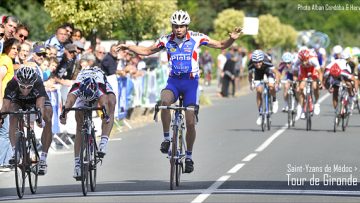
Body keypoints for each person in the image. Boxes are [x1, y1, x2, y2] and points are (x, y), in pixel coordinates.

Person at [116, 10, 242, 173]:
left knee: (190, 121)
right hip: (174, 82)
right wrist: (129, 46)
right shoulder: (166, 40)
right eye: (175, 26)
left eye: (182, 26)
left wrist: (231, 38)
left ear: (187, 26)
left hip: (191, 83)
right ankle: (167, 138)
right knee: (164, 102)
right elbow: (147, 51)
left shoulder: (197, 37)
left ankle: (189, 156)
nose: (178, 29)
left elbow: (220, 45)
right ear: (172, 26)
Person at [59, 62, 115, 179]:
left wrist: (105, 116)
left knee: (110, 104)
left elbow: (104, 104)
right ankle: (77, 164)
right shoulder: (76, 87)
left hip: (99, 84)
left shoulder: (100, 88)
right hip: (83, 88)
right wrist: (64, 114)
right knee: (79, 125)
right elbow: (68, 103)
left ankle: (103, 142)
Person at [0, 66, 53, 175]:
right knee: (12, 115)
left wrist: (39, 118)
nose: (25, 90)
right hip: (18, 100)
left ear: (33, 83)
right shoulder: (12, 84)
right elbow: (5, 107)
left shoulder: (38, 82)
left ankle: (43, 159)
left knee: (47, 117)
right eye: (22, 87)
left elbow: (40, 106)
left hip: (36, 100)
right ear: (18, 82)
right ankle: (15, 151)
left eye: (29, 87)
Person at [0, 38, 20, 171]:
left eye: (17, 49)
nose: (16, 51)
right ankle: (3, 162)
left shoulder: (4, 59)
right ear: (6, 47)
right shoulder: (5, 60)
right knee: (5, 132)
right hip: (3, 101)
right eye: (13, 48)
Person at [248, 50, 280, 125]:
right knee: (259, 91)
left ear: (262, 60)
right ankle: (260, 113)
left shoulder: (266, 61)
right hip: (258, 74)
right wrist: (251, 83)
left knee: (271, 86)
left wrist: (277, 83)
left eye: (259, 62)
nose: (258, 64)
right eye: (255, 62)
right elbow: (250, 75)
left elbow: (277, 73)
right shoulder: (250, 64)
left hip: (268, 71)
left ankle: (274, 100)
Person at [293, 48, 323, 120]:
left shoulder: (313, 60)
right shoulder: (298, 61)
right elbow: (295, 74)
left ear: (308, 58)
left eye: (305, 60)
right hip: (303, 70)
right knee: (301, 88)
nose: (304, 62)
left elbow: (320, 73)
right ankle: (303, 108)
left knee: (315, 86)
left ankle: (316, 102)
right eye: (302, 61)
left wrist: (320, 83)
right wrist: (296, 82)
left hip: (312, 69)